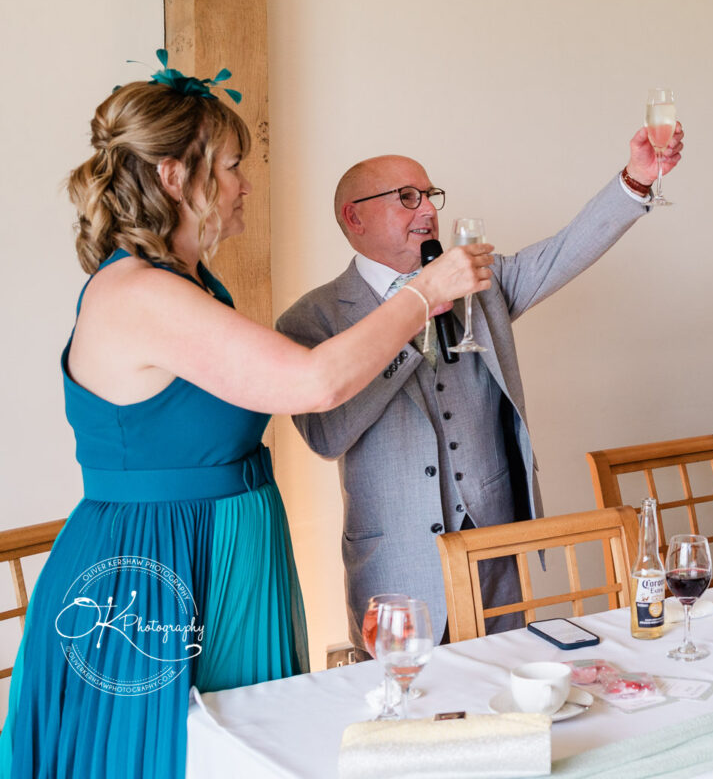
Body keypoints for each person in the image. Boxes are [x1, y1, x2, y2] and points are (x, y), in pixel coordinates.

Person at [0, 60, 490, 779]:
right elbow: (314, 382)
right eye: (232, 167)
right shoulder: (137, 291)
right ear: (175, 177)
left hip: (228, 553)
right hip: (154, 572)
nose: (245, 185)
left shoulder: (190, 284)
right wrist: (422, 297)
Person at [275, 125, 682, 650]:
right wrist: (416, 311)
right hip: (394, 563)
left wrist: (636, 181)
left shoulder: (476, 282)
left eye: (429, 196)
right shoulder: (312, 318)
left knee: (502, 690)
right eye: (406, 198)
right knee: (412, 706)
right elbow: (326, 436)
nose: (427, 211)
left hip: (492, 546)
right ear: (355, 216)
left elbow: (561, 253)